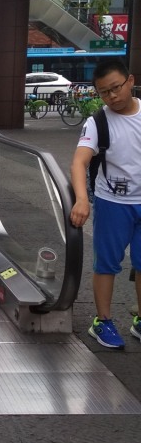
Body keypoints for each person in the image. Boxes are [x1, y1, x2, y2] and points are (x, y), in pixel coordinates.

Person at [70, 57, 141, 348]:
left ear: (131, 81)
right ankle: (103, 321)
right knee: (106, 264)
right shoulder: (97, 121)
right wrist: (82, 200)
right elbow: (79, 162)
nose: (112, 96)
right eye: (104, 92)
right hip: (112, 202)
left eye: (116, 88)